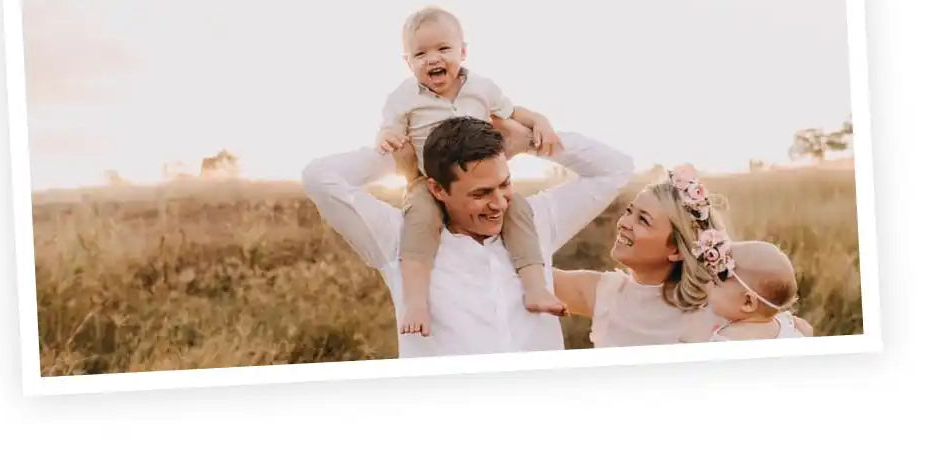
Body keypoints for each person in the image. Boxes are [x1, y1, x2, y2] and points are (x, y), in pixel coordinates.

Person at [302, 115, 633, 358]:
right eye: (481, 193)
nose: (499, 203)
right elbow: (319, 178)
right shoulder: (397, 238)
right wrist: (399, 156)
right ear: (437, 189)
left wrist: (531, 141)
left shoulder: (535, 221)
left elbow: (615, 168)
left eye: (505, 184)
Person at [377, 6, 566, 336]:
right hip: (429, 179)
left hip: (479, 174)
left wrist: (539, 121)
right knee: (420, 220)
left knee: (517, 208)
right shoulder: (403, 98)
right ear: (408, 63)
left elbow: (511, 111)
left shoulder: (481, 87)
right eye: (420, 54)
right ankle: (417, 301)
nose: (433, 59)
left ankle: (535, 286)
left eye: (443, 49)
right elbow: (388, 129)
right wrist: (388, 137)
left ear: (463, 51)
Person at [552, 165, 727, 347]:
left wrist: (715, 249)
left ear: (677, 251)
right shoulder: (606, 293)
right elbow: (525, 273)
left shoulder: (717, 308)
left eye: (643, 220)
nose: (624, 223)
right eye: (629, 211)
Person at [691, 233, 814, 340]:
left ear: (748, 302)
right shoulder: (793, 327)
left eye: (715, 282)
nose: (708, 284)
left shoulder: (725, 340)